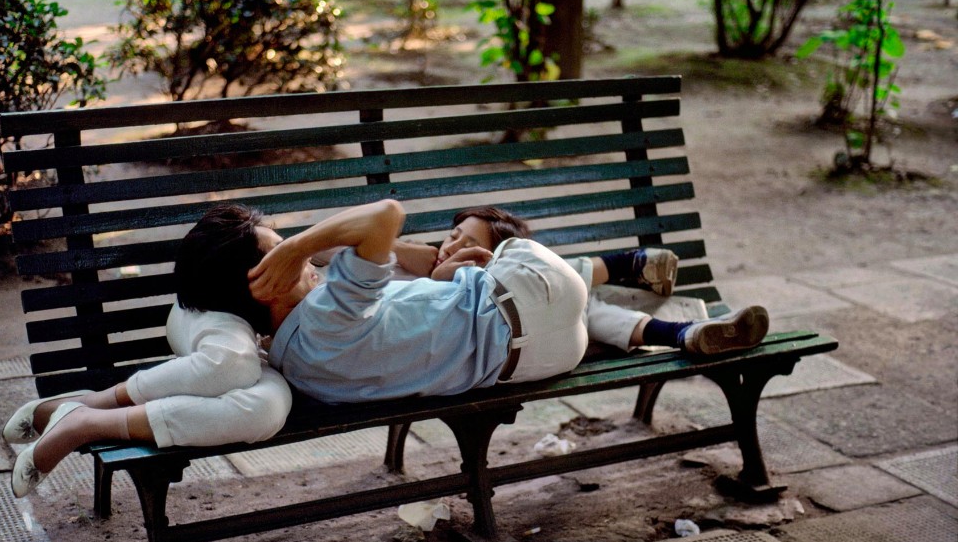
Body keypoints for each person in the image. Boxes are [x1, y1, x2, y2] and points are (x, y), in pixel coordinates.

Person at [246, 199, 769, 404]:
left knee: (575, 301)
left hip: (536, 361)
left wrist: (445, 276)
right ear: (263, 285)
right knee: (551, 277)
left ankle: (679, 332)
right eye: (287, 264)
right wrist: (298, 245)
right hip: (534, 310)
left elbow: (413, 299)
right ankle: (631, 267)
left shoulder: (296, 361)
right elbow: (386, 215)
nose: (306, 266)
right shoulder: (329, 313)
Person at [8, 205, 293, 498]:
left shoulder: (317, 269)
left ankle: (87, 420)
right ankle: (97, 402)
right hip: (206, 315)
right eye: (280, 250)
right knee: (235, 364)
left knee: (267, 408)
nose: (296, 255)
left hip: (242, 342)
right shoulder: (235, 306)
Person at [391, 205, 734, 354]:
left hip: (539, 330)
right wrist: (417, 254)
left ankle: (683, 333)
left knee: (583, 306)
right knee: (580, 304)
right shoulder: (413, 265)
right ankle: (627, 267)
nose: (451, 247)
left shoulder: (486, 275)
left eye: (469, 245)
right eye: (452, 236)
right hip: (503, 348)